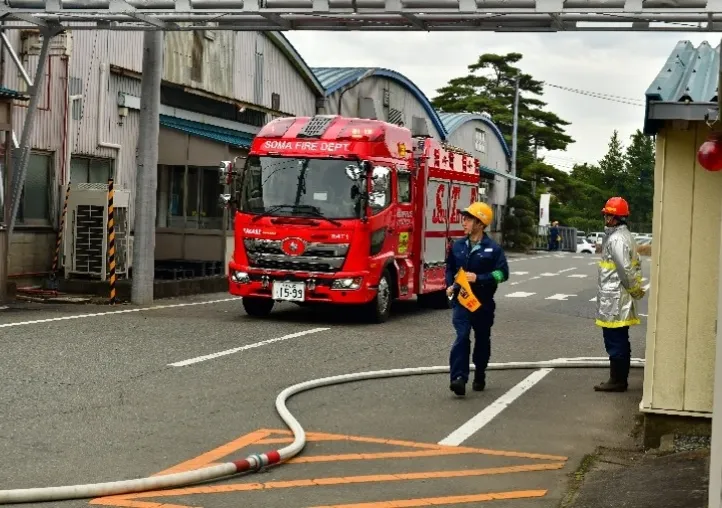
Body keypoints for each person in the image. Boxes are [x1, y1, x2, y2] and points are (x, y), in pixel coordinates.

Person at [445, 202, 509, 397]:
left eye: (468, 219)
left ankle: (480, 372)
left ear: (480, 223)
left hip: (483, 303)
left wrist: (480, 278)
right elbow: (450, 268)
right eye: (464, 218)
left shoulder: (493, 249)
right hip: (462, 301)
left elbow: (502, 274)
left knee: (482, 339)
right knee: (462, 336)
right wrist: (449, 284)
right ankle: (458, 378)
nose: (463, 222)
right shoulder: (457, 246)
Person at [594, 196, 646, 392]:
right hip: (618, 296)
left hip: (615, 297)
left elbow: (625, 269)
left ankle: (617, 381)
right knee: (619, 338)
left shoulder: (616, 239)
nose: (605, 217)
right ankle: (618, 379)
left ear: (614, 218)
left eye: (607, 214)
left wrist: (635, 290)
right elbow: (635, 265)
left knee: (615, 340)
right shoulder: (625, 236)